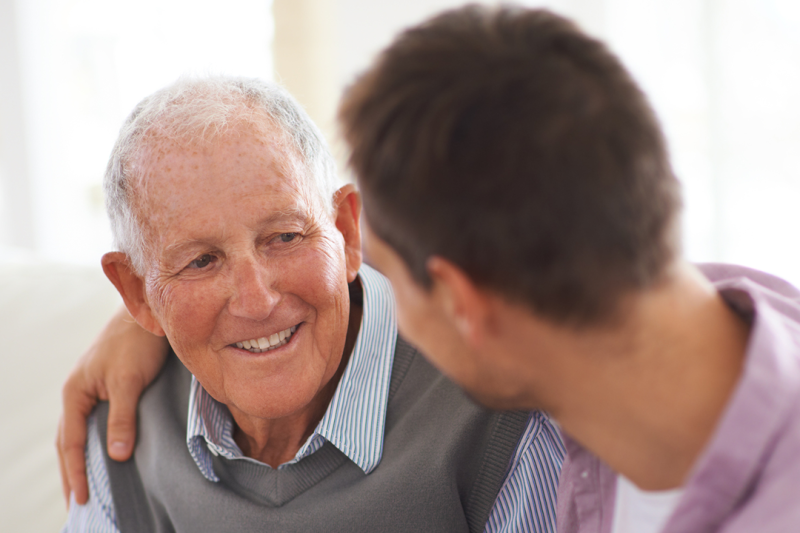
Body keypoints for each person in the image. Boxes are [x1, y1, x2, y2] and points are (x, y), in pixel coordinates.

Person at [59, 5, 800, 533]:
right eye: (202, 261)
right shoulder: (655, 356)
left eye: (384, 267)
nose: (360, 283)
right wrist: (154, 311)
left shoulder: (524, 430)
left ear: (463, 305)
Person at [60, 75, 564, 532]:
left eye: (284, 236)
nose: (257, 301)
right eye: (201, 261)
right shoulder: (123, 428)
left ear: (346, 232)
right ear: (137, 293)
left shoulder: (500, 407)